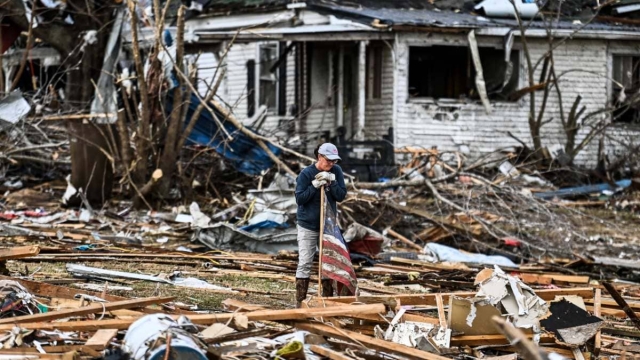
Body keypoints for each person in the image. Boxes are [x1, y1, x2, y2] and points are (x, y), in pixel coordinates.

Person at [294, 143, 347, 308]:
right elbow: (300, 199)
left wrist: (332, 183)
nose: (331, 164)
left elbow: (341, 196)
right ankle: (300, 302)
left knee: (328, 263)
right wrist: (314, 186)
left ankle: (327, 301)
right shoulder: (306, 173)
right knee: (305, 262)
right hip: (308, 225)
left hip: (327, 226)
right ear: (319, 157)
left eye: (334, 161)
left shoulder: (336, 172)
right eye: (328, 160)